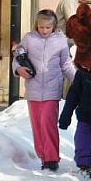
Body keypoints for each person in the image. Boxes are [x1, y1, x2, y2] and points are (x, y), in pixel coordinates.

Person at [14, 10, 77, 171]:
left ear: (54, 26)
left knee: (47, 123)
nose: (44, 30)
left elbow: (66, 64)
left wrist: (78, 81)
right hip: (33, 90)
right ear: (36, 25)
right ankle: (43, 156)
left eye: (48, 27)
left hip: (52, 89)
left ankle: (51, 159)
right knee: (37, 125)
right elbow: (18, 59)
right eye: (41, 27)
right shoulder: (29, 39)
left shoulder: (60, 40)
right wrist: (19, 69)